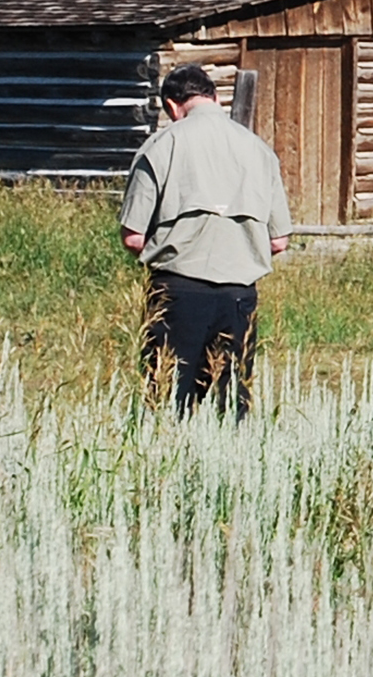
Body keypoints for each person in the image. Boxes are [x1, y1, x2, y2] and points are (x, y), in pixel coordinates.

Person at [120, 62, 292, 416]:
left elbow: (133, 237)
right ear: (215, 98)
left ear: (171, 106)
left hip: (178, 291)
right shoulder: (259, 150)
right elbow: (279, 241)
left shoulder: (161, 145)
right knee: (232, 408)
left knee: (166, 403)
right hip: (240, 296)